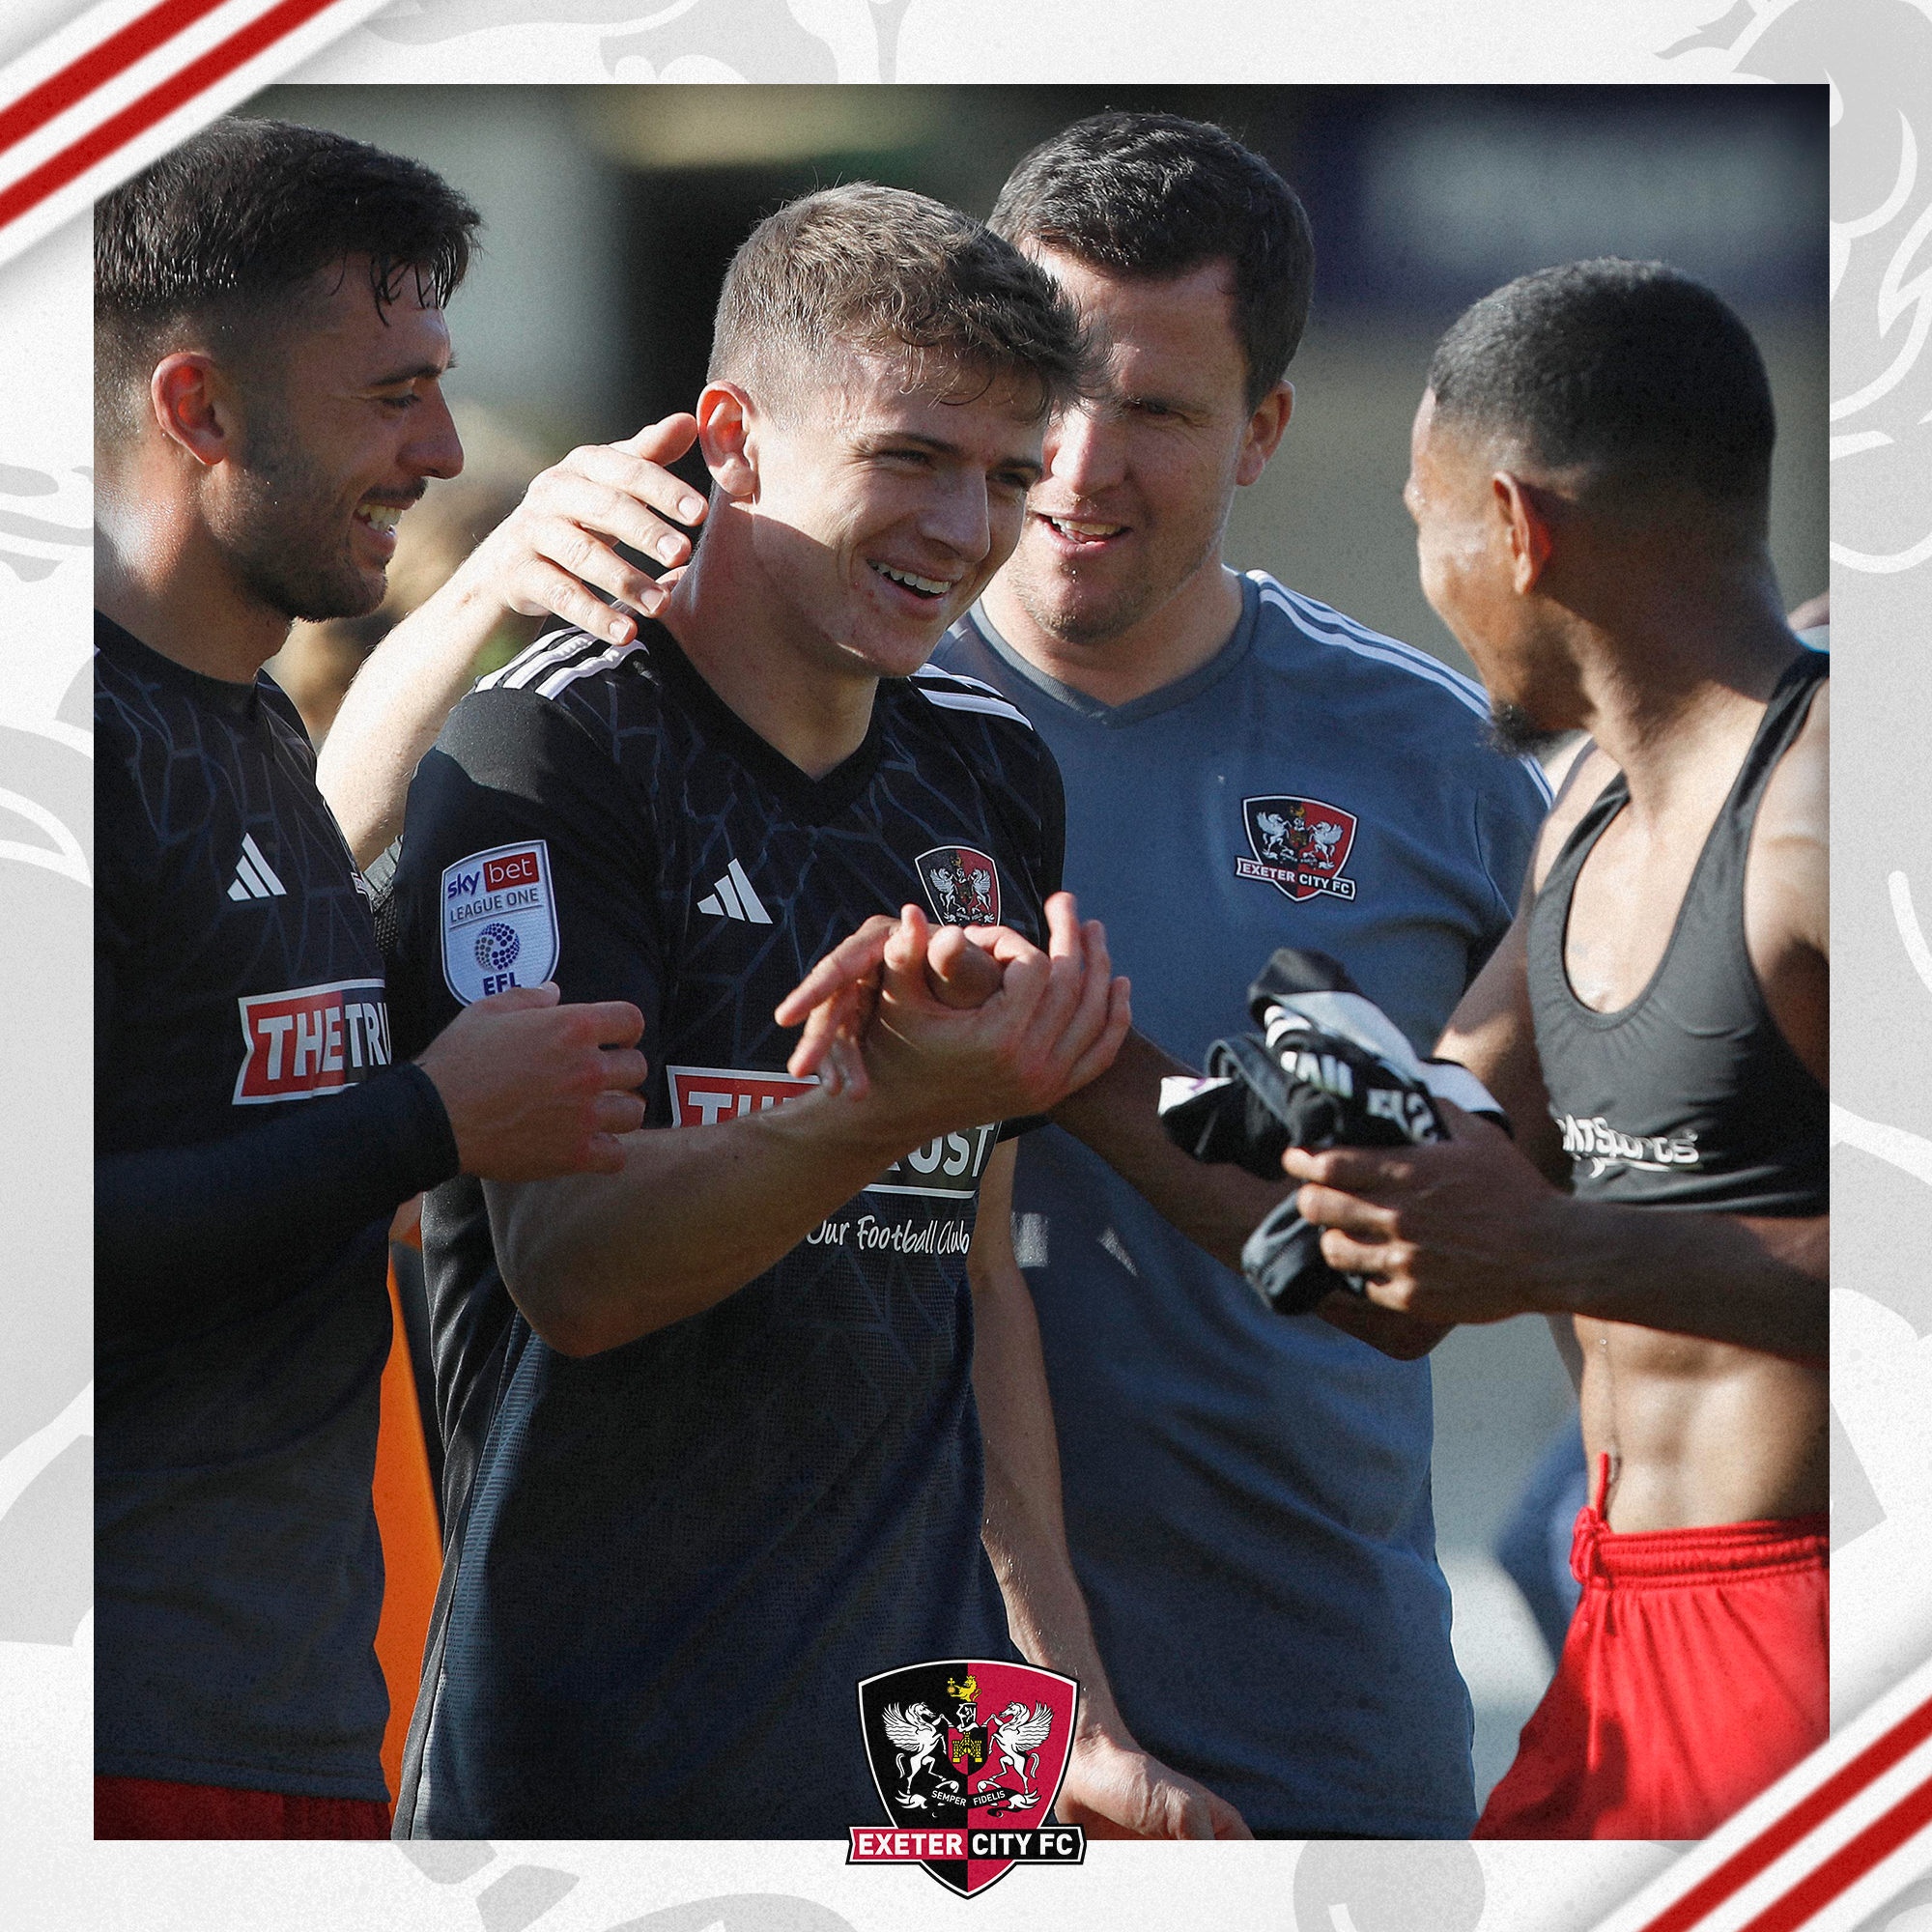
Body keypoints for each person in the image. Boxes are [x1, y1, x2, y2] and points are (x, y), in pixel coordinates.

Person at [380, 183, 1245, 1840]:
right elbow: (571, 1273)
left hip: (932, 1765)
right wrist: (874, 1112)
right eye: (911, 457)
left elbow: (971, 1282)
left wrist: (1063, 1717)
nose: (963, 528)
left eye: (1004, 475)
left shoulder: (984, 768)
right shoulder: (548, 753)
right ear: (735, 439)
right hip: (593, 1772)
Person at [93, 119, 655, 1838]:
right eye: (389, 392)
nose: (438, 446)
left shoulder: (240, 709)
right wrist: (423, 1120)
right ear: (198, 409)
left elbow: (288, 912)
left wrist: (491, 581)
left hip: (290, 1709)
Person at [1286, 260, 1828, 1838]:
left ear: (1515, 530)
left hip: (1815, 1638)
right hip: (1612, 1629)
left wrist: (1544, 1244)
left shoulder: (1829, 812)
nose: (1431, 584)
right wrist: (1069, 1056)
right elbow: (1433, 1174)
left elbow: (1530, 1235)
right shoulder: (1585, 801)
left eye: (1422, 524)